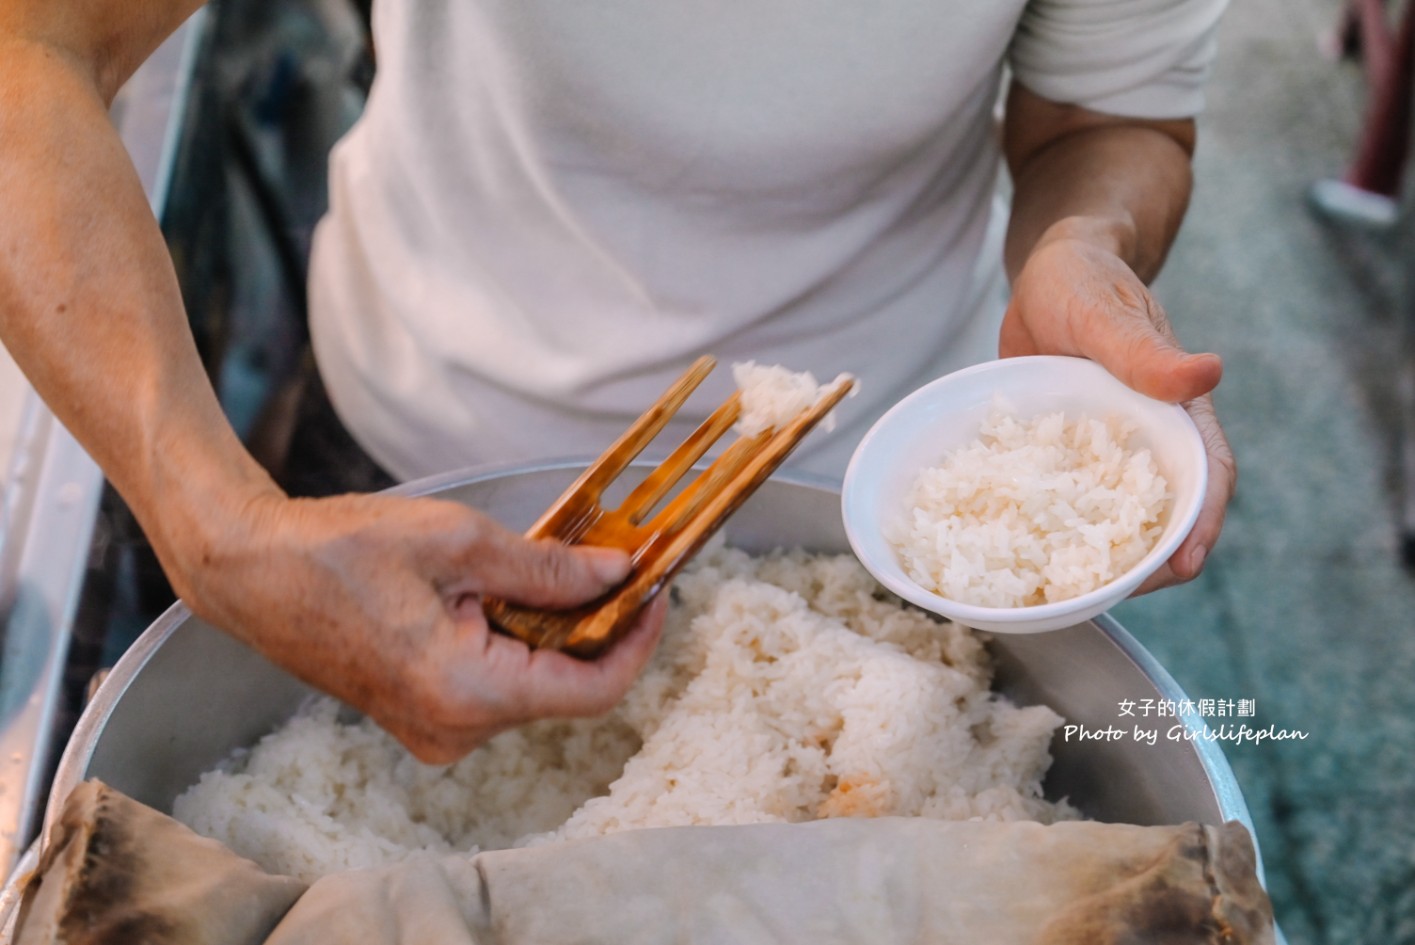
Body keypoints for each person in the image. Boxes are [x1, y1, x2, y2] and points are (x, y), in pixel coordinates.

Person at [0, 0, 1235, 764]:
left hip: (875, 494)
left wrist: (1085, 245)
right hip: (413, 457)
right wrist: (211, 523)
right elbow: (31, 50)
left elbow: (1100, 115)